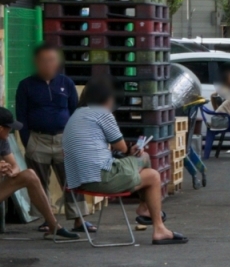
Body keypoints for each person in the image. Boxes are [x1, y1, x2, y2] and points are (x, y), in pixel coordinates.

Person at [63, 78, 186, 244]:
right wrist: (131, 150)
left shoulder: (76, 115)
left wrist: (126, 152)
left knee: (145, 168)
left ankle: (146, 210)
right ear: (106, 98)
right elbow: (121, 147)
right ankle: (156, 225)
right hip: (101, 178)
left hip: (78, 181)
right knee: (151, 172)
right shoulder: (102, 114)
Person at [16, 43, 92, 233]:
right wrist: (28, 142)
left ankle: (78, 220)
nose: (49, 64)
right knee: (39, 183)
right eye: (44, 61)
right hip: (38, 139)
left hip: (63, 138)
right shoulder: (25, 85)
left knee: (72, 180)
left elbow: (75, 112)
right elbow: (21, 116)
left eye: (52, 60)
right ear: (37, 63)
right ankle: (47, 219)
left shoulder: (66, 83)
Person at [0, 108, 79, 240]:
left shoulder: (3, 141)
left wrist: (10, 171)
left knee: (30, 174)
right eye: (9, 128)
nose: (11, 131)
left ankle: (53, 225)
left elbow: (15, 166)